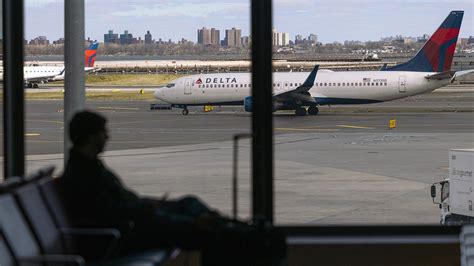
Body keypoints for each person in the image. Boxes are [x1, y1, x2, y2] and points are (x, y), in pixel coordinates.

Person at [60, 110, 286, 265]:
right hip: (123, 236)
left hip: (134, 221)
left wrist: (152, 204)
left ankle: (226, 225)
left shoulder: (90, 166)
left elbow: (122, 203)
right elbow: (112, 213)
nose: (108, 136)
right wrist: (153, 209)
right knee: (215, 236)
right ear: (90, 137)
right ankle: (237, 230)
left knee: (189, 202)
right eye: (103, 131)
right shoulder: (81, 175)